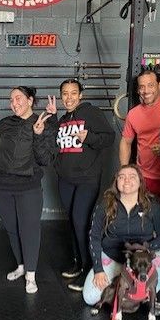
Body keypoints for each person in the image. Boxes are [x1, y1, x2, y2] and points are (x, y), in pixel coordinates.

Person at [0, 86, 57, 294]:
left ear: (30, 100)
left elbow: (45, 159)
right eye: (11, 100)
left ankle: (31, 275)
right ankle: (21, 266)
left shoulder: (43, 123)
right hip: (0, 186)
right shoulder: (4, 123)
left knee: (29, 230)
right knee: (12, 228)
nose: (14, 103)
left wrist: (39, 135)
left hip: (28, 188)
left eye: (18, 98)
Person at [52, 78, 115, 291]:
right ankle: (78, 263)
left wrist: (89, 137)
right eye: (65, 94)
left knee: (82, 222)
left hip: (87, 179)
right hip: (66, 179)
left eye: (73, 93)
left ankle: (90, 268)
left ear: (80, 95)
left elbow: (109, 137)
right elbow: (57, 146)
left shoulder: (91, 113)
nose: (69, 98)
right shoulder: (63, 120)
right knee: (72, 222)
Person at [84, 165, 160, 308]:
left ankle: (146, 296)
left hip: (142, 262)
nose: (126, 180)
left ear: (140, 182)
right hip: (113, 258)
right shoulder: (106, 203)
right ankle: (124, 293)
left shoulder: (153, 204)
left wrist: (146, 248)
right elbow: (93, 237)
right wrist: (98, 269)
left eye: (132, 177)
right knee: (90, 297)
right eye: (122, 177)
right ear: (116, 182)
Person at [119, 69, 160, 257]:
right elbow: (126, 142)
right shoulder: (134, 114)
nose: (146, 91)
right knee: (147, 220)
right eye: (142, 87)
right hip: (145, 177)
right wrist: (125, 171)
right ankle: (151, 266)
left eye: (150, 85)